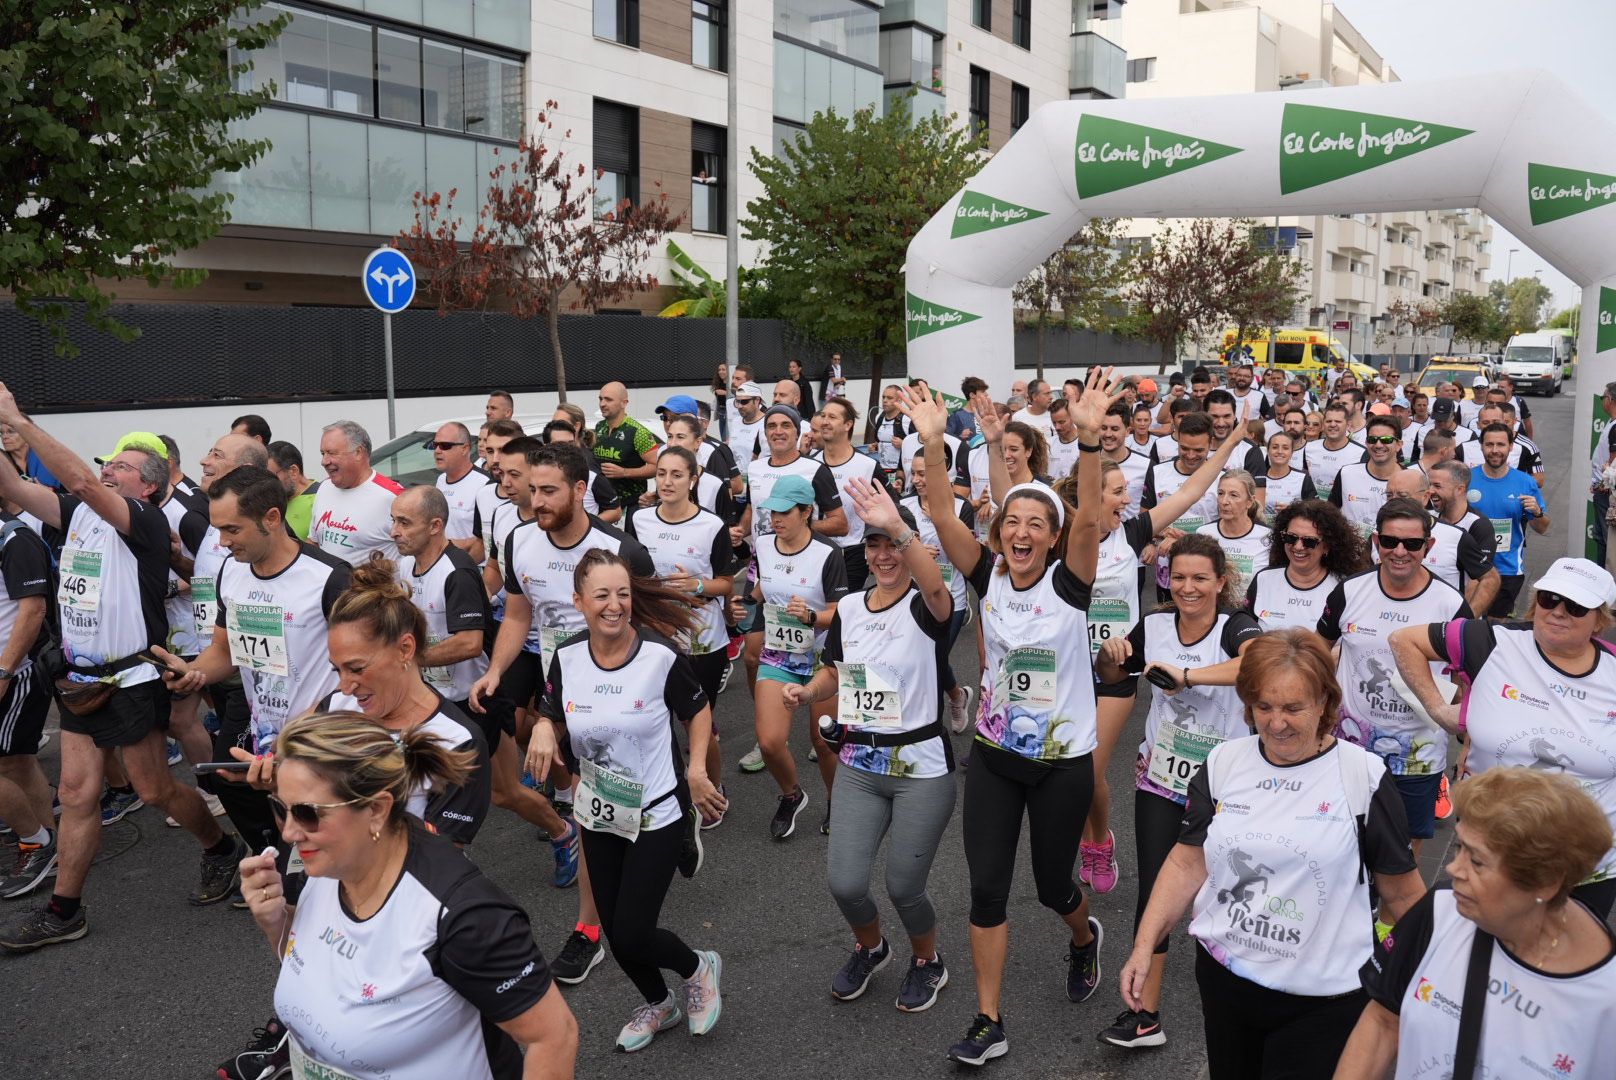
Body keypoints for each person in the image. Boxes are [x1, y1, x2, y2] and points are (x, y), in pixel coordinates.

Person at [904, 370, 1116, 1067]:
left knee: (1054, 885)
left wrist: (1087, 441)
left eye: (1036, 525)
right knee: (988, 888)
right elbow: (939, 515)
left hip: (1061, 767)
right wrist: (934, 444)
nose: (1021, 533)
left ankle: (1084, 938)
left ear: (1053, 539)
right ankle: (987, 1019)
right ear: (999, 532)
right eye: (1012, 523)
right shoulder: (989, 573)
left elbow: (1089, 516)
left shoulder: (1070, 581)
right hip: (995, 757)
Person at [0, 401, 249, 957]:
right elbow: (17, 489)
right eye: (108, 462)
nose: (109, 468)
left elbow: (84, 481)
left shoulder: (147, 521)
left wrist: (18, 422)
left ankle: (219, 847)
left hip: (133, 678)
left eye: (124, 466)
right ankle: (65, 910)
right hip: (80, 680)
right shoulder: (77, 513)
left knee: (153, 789)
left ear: (150, 486)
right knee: (76, 792)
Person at [1119, 629, 1424, 1078]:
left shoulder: (1362, 776)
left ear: (1324, 702)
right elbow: (1187, 862)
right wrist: (1143, 946)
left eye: (1293, 708)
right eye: (1264, 707)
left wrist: (1424, 989)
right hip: (1226, 982)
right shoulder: (1223, 763)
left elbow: (1402, 895)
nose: (1276, 723)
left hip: (1324, 999)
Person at [235, 714, 579, 1080]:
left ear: (377, 809)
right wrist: (277, 923)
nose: (289, 832)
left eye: (307, 813)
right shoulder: (329, 865)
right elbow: (321, 969)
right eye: (280, 809)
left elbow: (554, 1036)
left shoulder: (463, 916)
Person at [533, 548, 727, 1052]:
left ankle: (697, 967)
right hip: (598, 812)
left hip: (656, 813)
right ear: (579, 601)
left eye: (622, 593)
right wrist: (541, 727)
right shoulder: (568, 656)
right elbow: (553, 709)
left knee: (635, 931)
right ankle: (659, 1004)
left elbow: (698, 712)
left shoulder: (660, 656)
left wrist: (697, 769)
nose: (614, 604)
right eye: (601, 595)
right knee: (616, 934)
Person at [472, 442, 653, 977]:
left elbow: (658, 633)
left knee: (632, 802)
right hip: (564, 694)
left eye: (549, 490)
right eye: (533, 489)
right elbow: (519, 616)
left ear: (580, 490)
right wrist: (496, 670)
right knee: (592, 812)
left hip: (626, 695)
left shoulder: (621, 550)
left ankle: (670, 813)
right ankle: (589, 929)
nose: (537, 499)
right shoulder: (519, 540)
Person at [784, 477, 958, 1010]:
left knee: (905, 886)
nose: (883, 555)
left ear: (909, 549)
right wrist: (807, 690)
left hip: (921, 768)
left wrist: (899, 526)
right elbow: (835, 671)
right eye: (873, 544)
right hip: (860, 761)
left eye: (891, 544)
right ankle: (872, 947)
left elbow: (936, 591)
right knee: (845, 882)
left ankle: (928, 960)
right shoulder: (853, 609)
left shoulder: (927, 609)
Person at [1095, 534, 1263, 1050]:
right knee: (1158, 891)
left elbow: (1258, 666)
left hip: (1228, 789)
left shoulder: (1237, 626)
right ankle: (1145, 1016)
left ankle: (1259, 1002)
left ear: (1220, 582)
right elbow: (1114, 674)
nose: (1188, 588)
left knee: (1236, 895)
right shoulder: (1154, 625)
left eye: (1200, 578)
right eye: (1180, 577)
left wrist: (1188, 676)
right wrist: (1110, 654)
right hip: (1163, 780)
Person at [1340, 770, 1616, 1079]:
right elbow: (1383, 1021)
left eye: (1478, 862)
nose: (1452, 868)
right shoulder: (1441, 909)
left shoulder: (1605, 996)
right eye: (1459, 847)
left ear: (1545, 882)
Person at [153, 465, 351, 889]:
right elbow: (225, 652)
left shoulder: (330, 577)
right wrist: (192, 673)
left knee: (331, 847)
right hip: (261, 726)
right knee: (231, 782)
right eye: (218, 529)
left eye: (232, 529)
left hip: (322, 736)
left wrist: (307, 729)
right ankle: (280, 863)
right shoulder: (232, 571)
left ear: (272, 518)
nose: (222, 542)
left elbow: (362, 675)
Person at [1080, 411, 1250, 902]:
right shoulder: (1065, 542)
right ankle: (1094, 837)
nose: (1127, 499)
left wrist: (1230, 442)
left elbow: (1191, 491)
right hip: (1067, 667)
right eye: (1115, 492)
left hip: (1122, 662)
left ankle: (1097, 842)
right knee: (1067, 777)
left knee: (1090, 769)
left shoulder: (1131, 534)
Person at [1390, 556, 1616, 919]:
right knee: (1477, 959)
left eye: (1575, 606)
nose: (1558, 611)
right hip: (1489, 852)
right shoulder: (1491, 641)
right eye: (1549, 599)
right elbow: (1403, 641)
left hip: (1582, 869)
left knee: (1557, 963)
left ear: (1599, 619)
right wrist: (1439, 711)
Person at [1318, 498, 1472, 862]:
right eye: (1389, 541)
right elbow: (1316, 654)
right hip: (1350, 745)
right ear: (1376, 541)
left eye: (1412, 544)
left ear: (1429, 546)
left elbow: (1472, 681)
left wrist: (1467, 744)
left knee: (1403, 852)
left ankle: (1392, 921)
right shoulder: (1350, 591)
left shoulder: (1450, 605)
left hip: (1417, 753)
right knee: (1344, 841)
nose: (1399, 551)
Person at [731, 474, 848, 837]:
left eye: (784, 512)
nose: (776, 519)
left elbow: (841, 612)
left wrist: (811, 617)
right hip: (779, 654)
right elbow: (763, 583)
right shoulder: (764, 545)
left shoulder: (828, 553)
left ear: (806, 512)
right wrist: (747, 603)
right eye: (772, 512)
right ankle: (791, 794)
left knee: (823, 742)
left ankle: (838, 804)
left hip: (821, 659)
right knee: (768, 741)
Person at [624, 443, 736, 824]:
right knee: (649, 719)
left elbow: (725, 583)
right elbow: (630, 576)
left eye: (677, 474)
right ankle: (660, 790)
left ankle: (713, 789)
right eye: (662, 474)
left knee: (698, 726)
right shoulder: (638, 520)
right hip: (652, 637)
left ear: (694, 478)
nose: (667, 482)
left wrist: (697, 586)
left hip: (703, 641)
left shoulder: (712, 526)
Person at [0, 511, 58, 900]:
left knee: (11, 761)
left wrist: (4, 672)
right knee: (18, 761)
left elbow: (33, 610)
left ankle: (36, 842)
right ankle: (47, 841)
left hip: (14, 671)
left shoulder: (13, 537)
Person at [899, 452, 975, 733]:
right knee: (919, 659)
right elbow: (888, 552)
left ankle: (931, 728)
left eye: (924, 474)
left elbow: (970, 559)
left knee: (934, 658)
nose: (917, 480)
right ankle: (956, 696)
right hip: (909, 596)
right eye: (914, 473)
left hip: (949, 598)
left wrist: (943, 528)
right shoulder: (904, 505)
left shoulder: (960, 507)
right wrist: (913, 552)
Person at [1470, 422, 1550, 619]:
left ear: (1511, 447)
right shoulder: (1467, 479)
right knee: (1468, 623)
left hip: (1507, 567)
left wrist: (1537, 513)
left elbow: (1542, 528)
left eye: (1501, 445)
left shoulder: (1525, 482)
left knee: (1496, 624)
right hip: (1471, 564)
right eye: (1489, 445)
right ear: (1481, 446)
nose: (1495, 450)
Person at [1247, 500, 1365, 633]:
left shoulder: (1345, 588)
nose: (1298, 546)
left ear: (1326, 546)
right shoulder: (1264, 579)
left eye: (1309, 541)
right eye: (1291, 538)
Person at [1397, 462, 1500, 614]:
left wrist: (1464, 620)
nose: (1430, 491)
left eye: (1437, 486)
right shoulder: (1428, 517)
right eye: (1429, 484)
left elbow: (1478, 579)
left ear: (1460, 489)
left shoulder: (1478, 525)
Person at [813, 398, 890, 591]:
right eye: (823, 416)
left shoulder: (868, 466)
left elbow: (892, 508)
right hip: (813, 548)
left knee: (842, 609)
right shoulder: (809, 464)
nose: (825, 421)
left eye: (832, 417)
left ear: (848, 425)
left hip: (852, 553)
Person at [311, 420, 404, 565]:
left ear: (358, 453)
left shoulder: (392, 496)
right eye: (323, 453)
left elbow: (422, 552)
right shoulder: (324, 487)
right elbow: (314, 542)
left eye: (331, 453)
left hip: (376, 587)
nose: (324, 461)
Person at [1196, 470, 1270, 599]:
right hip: (1214, 611)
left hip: (1250, 613)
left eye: (1233, 495)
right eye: (1220, 493)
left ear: (1250, 502)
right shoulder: (1203, 533)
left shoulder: (1267, 536)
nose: (1224, 501)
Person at [1330, 413, 1402, 537]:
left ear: (1399, 445)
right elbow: (1330, 514)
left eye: (1386, 440)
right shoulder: (1346, 473)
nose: (1378, 445)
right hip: (1350, 552)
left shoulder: (1411, 480)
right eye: (1372, 439)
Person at [432, 421, 492, 561]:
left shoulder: (484, 484)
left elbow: (489, 540)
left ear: (465, 449)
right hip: (443, 566)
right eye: (435, 445)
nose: (437, 451)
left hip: (473, 569)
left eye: (445, 446)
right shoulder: (441, 480)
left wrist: (462, 569)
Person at [593, 381, 662, 504]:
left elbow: (658, 467)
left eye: (608, 400)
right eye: (600, 399)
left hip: (630, 504)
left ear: (624, 403)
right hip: (602, 501)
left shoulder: (637, 432)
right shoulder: (599, 427)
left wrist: (624, 472)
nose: (602, 404)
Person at [542, 420, 623, 523]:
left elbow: (615, 511)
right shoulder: (534, 478)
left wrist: (585, 526)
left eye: (571, 444)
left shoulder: (591, 476)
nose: (567, 449)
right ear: (546, 447)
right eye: (560, 445)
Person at [1299, 403, 1365, 503]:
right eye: (1329, 421)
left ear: (1348, 424)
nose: (1333, 424)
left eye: (1338, 421)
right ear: (1323, 424)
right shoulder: (1309, 448)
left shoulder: (1361, 452)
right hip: (1313, 510)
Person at [264, 441, 319, 542]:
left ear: (293, 471)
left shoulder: (321, 498)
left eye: (271, 476)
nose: (267, 484)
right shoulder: (270, 500)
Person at [1257, 430, 1317, 512]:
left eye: (1285, 448)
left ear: (1292, 452)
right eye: (1275, 447)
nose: (1280, 451)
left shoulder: (1303, 478)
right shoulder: (1258, 478)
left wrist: (1293, 511)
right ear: (1268, 450)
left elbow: (1315, 510)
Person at [0, 421, 60, 490]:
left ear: (27, 434)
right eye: (1, 433)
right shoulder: (2, 462)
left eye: (11, 431)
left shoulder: (46, 458)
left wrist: (50, 490)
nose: (4, 437)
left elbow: (69, 492)